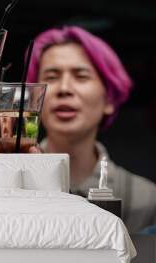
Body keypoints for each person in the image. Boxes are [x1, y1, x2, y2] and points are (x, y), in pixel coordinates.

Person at [27, 26, 156, 233]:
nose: (64, 89)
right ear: (34, 98)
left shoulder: (147, 201)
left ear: (110, 98)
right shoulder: (8, 189)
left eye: (81, 76)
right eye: (51, 77)